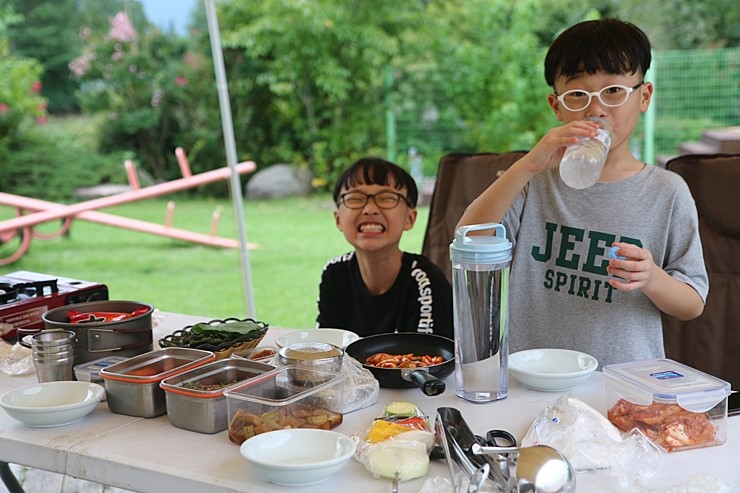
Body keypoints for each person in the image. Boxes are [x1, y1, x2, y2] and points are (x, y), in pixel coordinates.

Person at [457, 18, 708, 368]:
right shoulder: (535, 180)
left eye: (614, 91)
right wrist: (527, 165)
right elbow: (469, 240)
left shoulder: (666, 191)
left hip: (624, 381)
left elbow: (693, 302)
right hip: (533, 374)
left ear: (644, 97)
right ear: (556, 105)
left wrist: (652, 278)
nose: (596, 109)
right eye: (578, 94)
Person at [317, 156, 453, 339]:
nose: (370, 209)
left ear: (410, 218)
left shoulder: (424, 281)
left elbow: (426, 363)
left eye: (387, 198)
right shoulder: (335, 273)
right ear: (338, 219)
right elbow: (326, 351)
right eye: (355, 198)